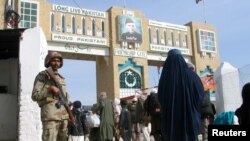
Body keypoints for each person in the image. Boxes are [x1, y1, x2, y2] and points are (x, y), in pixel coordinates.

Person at [158, 49, 204, 141]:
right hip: (190, 119)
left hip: (170, 121)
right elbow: (200, 97)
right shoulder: (193, 76)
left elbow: (161, 99)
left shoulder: (164, 80)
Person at [31, 51, 71, 141]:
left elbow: (65, 97)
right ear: (48, 61)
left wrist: (70, 115)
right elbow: (35, 95)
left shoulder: (61, 78)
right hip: (51, 117)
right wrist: (49, 89)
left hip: (63, 117)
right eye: (53, 60)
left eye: (58, 61)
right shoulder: (43, 76)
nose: (56, 63)